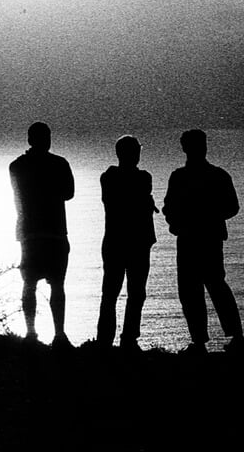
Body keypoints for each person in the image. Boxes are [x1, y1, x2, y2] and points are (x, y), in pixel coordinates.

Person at [162, 129, 244, 354]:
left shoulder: (181, 176)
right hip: (205, 239)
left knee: (200, 290)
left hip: (194, 239)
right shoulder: (216, 175)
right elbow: (232, 207)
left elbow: (169, 207)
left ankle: (205, 342)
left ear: (185, 147)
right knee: (209, 288)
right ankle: (228, 338)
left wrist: (180, 221)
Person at [9, 121, 75, 348]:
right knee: (57, 284)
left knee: (29, 284)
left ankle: (31, 333)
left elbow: (19, 195)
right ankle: (59, 334)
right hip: (55, 231)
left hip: (29, 232)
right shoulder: (59, 164)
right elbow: (69, 193)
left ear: (29, 140)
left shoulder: (17, 166)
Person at [96, 135, 159, 350]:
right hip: (136, 242)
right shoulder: (142, 178)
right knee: (134, 292)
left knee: (113, 293)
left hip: (116, 241)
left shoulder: (108, 177)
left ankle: (106, 340)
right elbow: (141, 198)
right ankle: (127, 339)